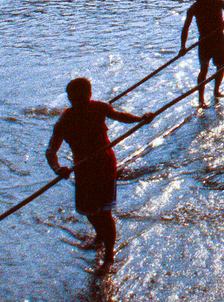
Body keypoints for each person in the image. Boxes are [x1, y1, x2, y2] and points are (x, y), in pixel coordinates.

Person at [46, 77, 153, 267]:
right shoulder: (64, 120)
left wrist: (141, 119)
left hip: (104, 166)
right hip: (83, 170)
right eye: (73, 98)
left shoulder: (100, 108)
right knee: (88, 211)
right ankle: (100, 235)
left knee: (104, 213)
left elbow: (121, 116)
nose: (77, 102)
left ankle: (109, 256)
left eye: (82, 97)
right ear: (69, 98)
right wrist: (57, 168)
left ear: (89, 95)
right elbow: (51, 151)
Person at [179, 0, 224, 106]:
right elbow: (185, 28)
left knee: (221, 67)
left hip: (219, 39)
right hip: (205, 41)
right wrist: (183, 47)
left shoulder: (217, 2)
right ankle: (201, 99)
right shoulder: (193, 8)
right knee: (204, 69)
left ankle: (216, 91)